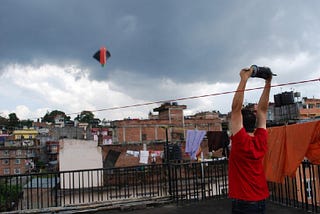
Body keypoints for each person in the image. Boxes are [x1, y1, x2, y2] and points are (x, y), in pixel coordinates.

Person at [228, 67, 272, 213]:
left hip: (244, 203)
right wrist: (268, 82)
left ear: (240, 124)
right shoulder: (261, 138)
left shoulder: (240, 140)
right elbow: (263, 111)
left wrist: (244, 79)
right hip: (260, 200)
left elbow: (236, 109)